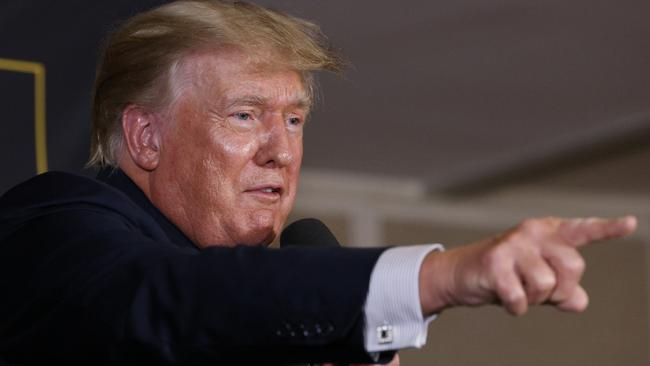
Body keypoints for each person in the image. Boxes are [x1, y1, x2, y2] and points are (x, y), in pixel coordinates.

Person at [0, 1, 637, 365]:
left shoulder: (254, 310)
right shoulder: (55, 223)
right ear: (146, 137)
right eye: (246, 115)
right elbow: (171, 299)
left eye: (295, 120)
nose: (281, 151)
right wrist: (441, 277)